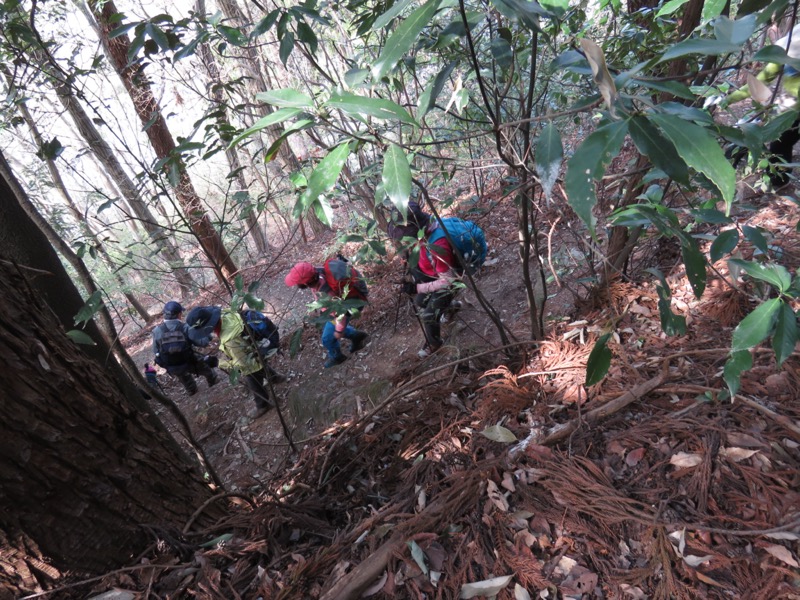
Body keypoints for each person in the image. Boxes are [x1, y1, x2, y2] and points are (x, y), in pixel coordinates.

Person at [724, 24, 800, 187]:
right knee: (779, 143)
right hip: (793, 109)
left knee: (781, 143)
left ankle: (779, 181)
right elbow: (759, 82)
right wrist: (728, 99)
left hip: (794, 110)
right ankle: (778, 180)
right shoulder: (783, 58)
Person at [186, 306, 286, 419]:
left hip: (252, 355)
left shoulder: (230, 340)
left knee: (252, 376)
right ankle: (275, 377)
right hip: (260, 345)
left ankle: (262, 405)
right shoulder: (226, 314)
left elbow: (242, 363)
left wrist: (218, 362)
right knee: (258, 366)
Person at [284, 257, 370, 368]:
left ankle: (337, 357)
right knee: (331, 329)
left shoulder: (327, 295)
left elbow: (340, 315)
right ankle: (356, 336)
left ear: (305, 284)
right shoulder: (318, 272)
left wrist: (339, 331)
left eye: (297, 283)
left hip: (348, 306)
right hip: (344, 302)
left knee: (327, 338)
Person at [401, 219, 464, 357]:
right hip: (435, 278)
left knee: (429, 315)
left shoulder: (437, 244)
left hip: (450, 281)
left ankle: (434, 343)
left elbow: (447, 281)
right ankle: (452, 307)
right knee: (420, 301)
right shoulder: (420, 239)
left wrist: (417, 288)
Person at [151, 301, 218, 396]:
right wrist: (206, 334)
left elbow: (155, 350)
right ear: (179, 314)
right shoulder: (185, 327)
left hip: (172, 365)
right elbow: (203, 343)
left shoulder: (157, 331)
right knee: (206, 369)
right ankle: (213, 380)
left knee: (182, 375)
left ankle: (191, 390)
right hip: (189, 361)